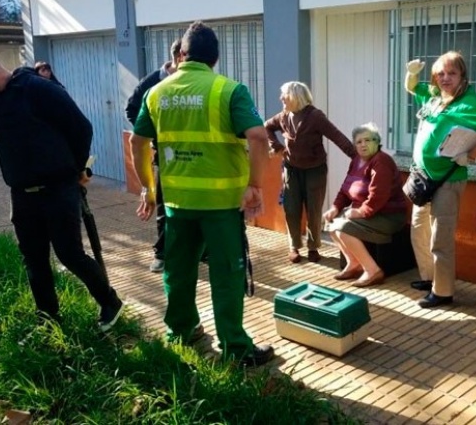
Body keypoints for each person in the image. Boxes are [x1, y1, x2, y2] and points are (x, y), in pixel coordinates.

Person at [130, 21, 274, 366]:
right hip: (222, 206)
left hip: (178, 204)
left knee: (178, 271)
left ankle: (181, 332)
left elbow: (137, 141)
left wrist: (149, 189)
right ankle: (236, 349)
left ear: (182, 55)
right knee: (226, 273)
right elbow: (257, 136)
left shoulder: (157, 92)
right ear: (216, 57)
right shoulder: (228, 90)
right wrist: (255, 185)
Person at [0, 47, 124, 330]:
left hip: (58, 189)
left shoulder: (37, 88)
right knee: (34, 259)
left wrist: (80, 168)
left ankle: (110, 301)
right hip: (21, 195)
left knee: (69, 254)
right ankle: (48, 317)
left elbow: (81, 127)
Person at [405, 51, 476, 308]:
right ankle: (429, 277)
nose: (445, 78)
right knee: (419, 228)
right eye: (440, 74)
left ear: (462, 75)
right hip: (423, 177)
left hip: (447, 180)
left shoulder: (469, 102)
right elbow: (412, 87)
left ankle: (443, 292)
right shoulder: (437, 95)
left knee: (441, 236)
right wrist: (412, 73)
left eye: (451, 73)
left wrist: (470, 155)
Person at [265, 81, 356, 264]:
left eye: (285, 94)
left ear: (296, 97)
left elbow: (337, 136)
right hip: (291, 169)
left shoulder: (315, 116)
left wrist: (357, 156)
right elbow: (267, 126)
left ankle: (313, 247)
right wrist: (276, 145)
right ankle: (294, 246)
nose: (281, 98)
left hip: (315, 170)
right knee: (291, 208)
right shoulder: (284, 116)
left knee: (313, 210)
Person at [125, 39, 186, 273]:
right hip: (165, 155)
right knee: (163, 207)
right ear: (180, 57)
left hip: (192, 155)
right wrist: (151, 132)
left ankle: (203, 252)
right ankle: (161, 254)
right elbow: (131, 109)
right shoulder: (152, 83)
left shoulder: (190, 83)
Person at [323, 123, 408, 287]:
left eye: (368, 140)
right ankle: (354, 264)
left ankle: (372, 270)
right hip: (370, 213)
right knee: (331, 222)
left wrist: (360, 212)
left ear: (377, 142)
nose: (363, 144)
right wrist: (335, 207)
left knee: (343, 229)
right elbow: (345, 189)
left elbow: (379, 196)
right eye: (359, 141)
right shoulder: (356, 161)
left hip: (388, 215)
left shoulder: (381, 162)